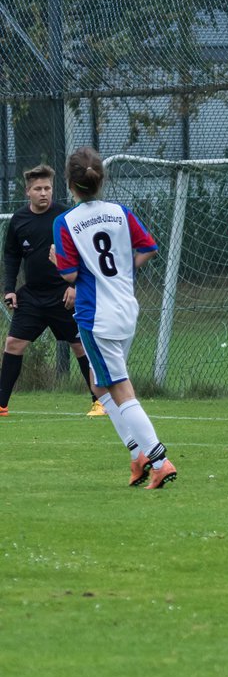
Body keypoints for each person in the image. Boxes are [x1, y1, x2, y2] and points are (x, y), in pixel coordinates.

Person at [51, 147, 176, 488]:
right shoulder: (120, 212)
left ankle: (159, 459)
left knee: (119, 387)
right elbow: (149, 247)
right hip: (125, 307)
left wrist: (54, 259)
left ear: (70, 183)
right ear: (100, 180)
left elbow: (68, 275)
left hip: (96, 316)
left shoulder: (66, 221)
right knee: (98, 382)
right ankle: (137, 454)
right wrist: (121, 271)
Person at [1, 163, 104, 417]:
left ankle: (99, 402)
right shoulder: (19, 220)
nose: (44, 193)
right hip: (32, 296)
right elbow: (12, 256)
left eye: (47, 188)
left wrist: (73, 286)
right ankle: (1, 404)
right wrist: (9, 289)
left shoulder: (66, 218)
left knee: (81, 346)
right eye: (38, 188)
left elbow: (83, 254)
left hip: (64, 295)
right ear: (28, 192)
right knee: (13, 343)